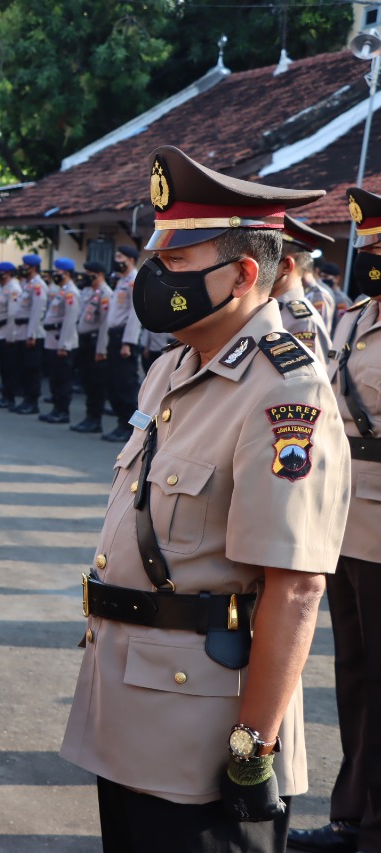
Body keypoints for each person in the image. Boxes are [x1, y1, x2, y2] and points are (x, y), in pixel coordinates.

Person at [61, 145, 350, 853]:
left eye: (177, 266)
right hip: (128, 705)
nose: (154, 279)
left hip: (203, 731)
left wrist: (253, 750)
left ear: (244, 274)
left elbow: (295, 587)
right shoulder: (170, 370)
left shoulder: (285, 392)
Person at [287, 186, 381, 853]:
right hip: (344, 520)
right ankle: (352, 812)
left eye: (378, 247)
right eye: (368, 247)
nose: (370, 257)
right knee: (352, 673)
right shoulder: (351, 320)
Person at [96, 245, 145, 443]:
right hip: (115, 336)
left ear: (131, 260)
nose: (116, 260)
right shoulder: (121, 281)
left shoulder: (135, 281)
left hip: (125, 339)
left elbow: (135, 316)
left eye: (120, 256)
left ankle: (133, 429)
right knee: (114, 385)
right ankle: (121, 424)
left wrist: (128, 343)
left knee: (126, 388)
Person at [273, 217, 333, 365]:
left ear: (286, 265)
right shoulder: (275, 310)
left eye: (266, 260)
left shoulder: (302, 323)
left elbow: (304, 385)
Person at [72, 260, 113, 433]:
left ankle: (94, 419)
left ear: (99, 274)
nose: (86, 276)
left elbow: (105, 324)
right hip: (85, 341)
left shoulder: (105, 294)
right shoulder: (89, 292)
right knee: (87, 381)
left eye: (90, 273)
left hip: (95, 342)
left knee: (96, 383)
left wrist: (101, 349)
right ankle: (89, 417)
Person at [40, 258, 81, 424]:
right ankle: (56, 408)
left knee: (62, 379)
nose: (55, 274)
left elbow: (69, 321)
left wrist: (64, 345)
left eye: (58, 272)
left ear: (67, 273)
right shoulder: (61, 290)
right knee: (54, 378)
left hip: (62, 343)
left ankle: (62, 411)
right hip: (52, 341)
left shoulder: (71, 292)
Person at [14, 253, 49, 415]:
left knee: (32, 369)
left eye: (25, 266)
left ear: (33, 268)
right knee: (23, 368)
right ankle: (26, 399)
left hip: (32, 334)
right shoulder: (27, 285)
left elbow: (36, 312)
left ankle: (32, 402)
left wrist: (31, 335)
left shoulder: (38, 286)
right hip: (22, 331)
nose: (22, 268)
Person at [0, 261, 21, 408]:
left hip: (8, 334)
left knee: (9, 369)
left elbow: (13, 314)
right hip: (0, 331)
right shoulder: (4, 288)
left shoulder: (14, 289)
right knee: (4, 368)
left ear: (7, 273)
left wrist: (10, 336)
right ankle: (5, 395)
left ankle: (9, 398)